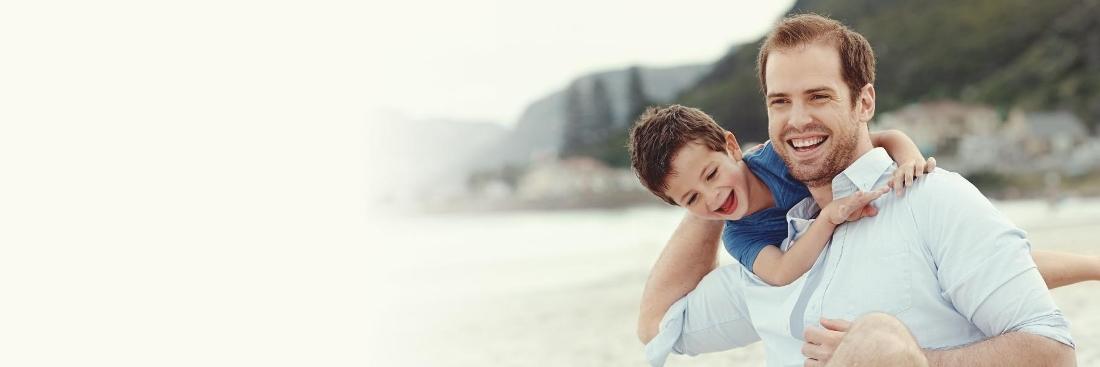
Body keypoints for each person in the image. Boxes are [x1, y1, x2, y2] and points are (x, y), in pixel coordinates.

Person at [637, 14, 1081, 367]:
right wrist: (707, 190)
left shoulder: (928, 199)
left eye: (818, 96)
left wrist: (908, 360)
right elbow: (656, 327)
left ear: (864, 102)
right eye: (780, 102)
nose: (797, 120)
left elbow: (1054, 353)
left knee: (880, 338)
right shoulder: (764, 244)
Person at [628, 105, 1100, 288]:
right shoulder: (738, 235)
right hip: (845, 247)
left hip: (884, 211)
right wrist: (828, 219)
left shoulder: (781, 156)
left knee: (988, 260)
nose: (712, 197)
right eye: (691, 198)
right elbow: (780, 271)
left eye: (711, 174)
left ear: (733, 146)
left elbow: (885, 137)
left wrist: (911, 157)